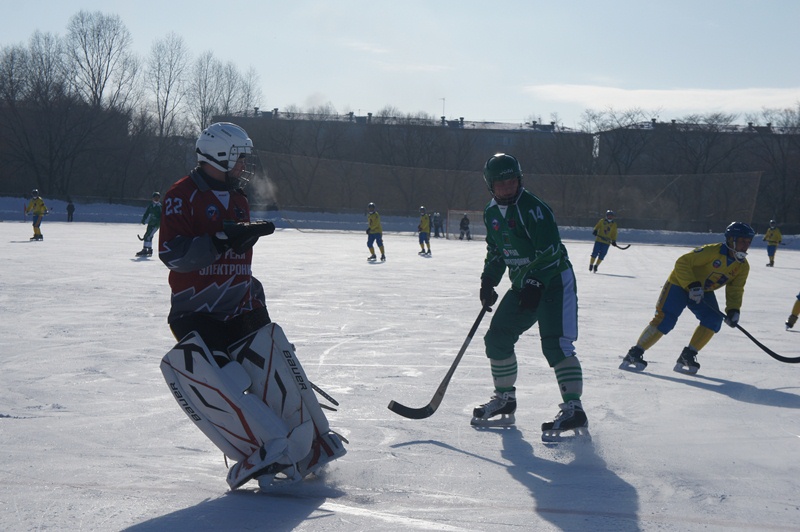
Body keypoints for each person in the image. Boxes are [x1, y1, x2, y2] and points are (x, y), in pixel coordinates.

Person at [158, 122, 346, 490]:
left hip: (241, 307)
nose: (245, 165)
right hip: (198, 313)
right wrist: (219, 239)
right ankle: (264, 446)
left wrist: (254, 294)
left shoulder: (239, 198)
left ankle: (313, 436)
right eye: (240, 158)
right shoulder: (182, 195)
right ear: (221, 156)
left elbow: (239, 263)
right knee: (230, 382)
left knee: (276, 362)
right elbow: (173, 254)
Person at [473, 153, 587, 441]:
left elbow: (550, 250)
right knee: (497, 338)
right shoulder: (490, 213)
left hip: (554, 282)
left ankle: (574, 408)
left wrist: (536, 281)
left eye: (512, 182)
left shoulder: (534, 209)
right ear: (490, 185)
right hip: (525, 283)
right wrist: (489, 280)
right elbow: (497, 251)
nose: (508, 188)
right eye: (501, 184)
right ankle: (505, 398)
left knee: (556, 344)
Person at [621, 221, 755, 375]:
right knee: (666, 320)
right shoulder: (712, 252)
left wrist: (733, 310)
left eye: (748, 242)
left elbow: (735, 289)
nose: (745, 245)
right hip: (679, 285)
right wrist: (692, 285)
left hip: (703, 291)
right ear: (731, 240)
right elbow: (682, 263)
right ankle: (635, 353)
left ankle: (688, 356)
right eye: (742, 241)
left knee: (713, 319)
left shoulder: (743, 267)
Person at [136, 192, 162, 257]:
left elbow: (162, 216)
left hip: (156, 224)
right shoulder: (151, 206)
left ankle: (145, 249)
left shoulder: (160, 207)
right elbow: (147, 213)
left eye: (157, 198)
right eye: (155, 198)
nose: (156, 199)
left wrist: (158, 224)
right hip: (151, 223)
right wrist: (144, 219)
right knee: (148, 236)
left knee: (148, 236)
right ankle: (149, 249)